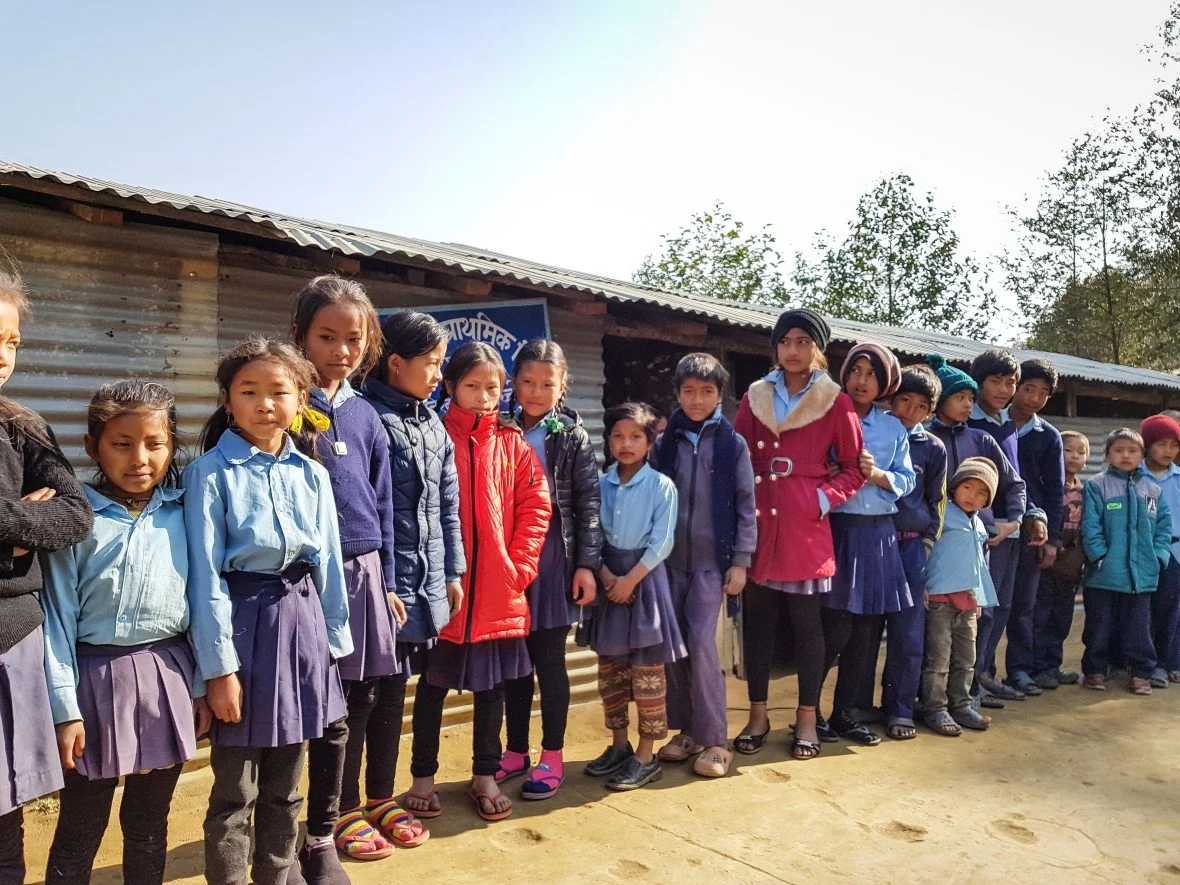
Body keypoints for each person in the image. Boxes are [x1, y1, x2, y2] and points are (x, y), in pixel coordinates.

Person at [185, 338, 352, 885]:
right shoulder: (208, 473)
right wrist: (219, 670)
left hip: (303, 634)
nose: (264, 404)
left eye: (279, 392)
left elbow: (327, 562)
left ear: (301, 398)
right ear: (227, 401)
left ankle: (277, 877)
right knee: (235, 791)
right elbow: (205, 577)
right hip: (242, 630)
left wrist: (333, 647)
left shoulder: (313, 474)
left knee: (288, 785)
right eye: (248, 392)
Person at [42, 380, 206, 885]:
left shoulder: (186, 513)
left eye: (155, 444)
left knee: (148, 822)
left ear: (172, 447)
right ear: (92, 447)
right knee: (80, 824)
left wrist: (200, 687)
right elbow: (57, 617)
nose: (140, 458)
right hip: (93, 684)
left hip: (167, 681)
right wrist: (64, 708)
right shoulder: (77, 521)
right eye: (122, 443)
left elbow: (203, 603)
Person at [291, 278, 426, 875]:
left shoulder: (366, 415)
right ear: (301, 336)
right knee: (318, 701)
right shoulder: (286, 406)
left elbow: (386, 504)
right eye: (326, 337)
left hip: (368, 572)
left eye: (353, 338)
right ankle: (319, 818)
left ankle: (345, 810)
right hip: (307, 579)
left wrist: (392, 582)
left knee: (363, 694)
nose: (340, 350)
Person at [409, 343, 550, 822]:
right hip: (443, 592)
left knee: (493, 691)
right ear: (449, 386)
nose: (484, 397)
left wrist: (520, 566)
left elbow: (536, 507)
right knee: (431, 688)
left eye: (493, 387)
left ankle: (484, 776)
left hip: (497, 592)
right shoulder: (432, 436)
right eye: (472, 386)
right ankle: (422, 779)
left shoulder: (513, 445)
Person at [732, 309, 865, 760]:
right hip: (759, 525)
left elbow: (852, 469)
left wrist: (820, 500)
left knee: (810, 628)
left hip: (806, 530)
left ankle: (807, 716)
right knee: (759, 627)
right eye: (786, 341)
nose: (793, 350)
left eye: (803, 342)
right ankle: (757, 714)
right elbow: (737, 457)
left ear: (818, 349)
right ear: (776, 346)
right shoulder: (753, 396)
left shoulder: (836, 401)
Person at [0, 271, 93, 885]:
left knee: (5, 814)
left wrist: (21, 526)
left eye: (10, 341)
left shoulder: (23, 426)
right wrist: (19, 521)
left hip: (12, 640)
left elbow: (74, 515)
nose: (0, 355)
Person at [360, 311, 463, 825]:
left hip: (421, 586)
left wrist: (453, 572)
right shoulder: (365, 418)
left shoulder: (432, 423)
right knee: (362, 702)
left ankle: (380, 798)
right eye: (432, 363)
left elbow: (447, 508)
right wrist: (383, 584)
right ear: (396, 363)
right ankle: (339, 809)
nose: (439, 376)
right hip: (380, 588)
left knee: (393, 696)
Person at [499, 340, 601, 800]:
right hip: (505, 558)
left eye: (547, 384)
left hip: (553, 557)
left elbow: (588, 505)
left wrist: (586, 566)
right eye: (527, 382)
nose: (536, 392)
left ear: (563, 386)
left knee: (548, 661)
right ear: (513, 382)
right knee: (514, 663)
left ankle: (552, 755)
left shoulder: (572, 436)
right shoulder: (499, 428)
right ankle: (515, 751)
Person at [653, 353, 756, 778]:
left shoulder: (733, 444)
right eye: (689, 391)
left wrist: (741, 561)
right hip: (668, 561)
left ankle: (716, 740)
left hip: (713, 565)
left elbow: (746, 505)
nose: (697, 400)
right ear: (677, 394)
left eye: (707, 392)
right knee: (674, 649)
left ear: (720, 396)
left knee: (701, 644)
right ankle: (687, 732)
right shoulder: (665, 442)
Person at [579, 402, 686, 790]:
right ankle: (619, 746)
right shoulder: (600, 485)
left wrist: (630, 581)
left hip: (645, 583)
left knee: (647, 674)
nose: (626, 444)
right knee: (611, 672)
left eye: (636, 437)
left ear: (649, 442)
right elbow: (594, 534)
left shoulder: (661, 486)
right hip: (609, 583)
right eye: (618, 436)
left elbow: (662, 541)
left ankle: (646, 755)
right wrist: (608, 576)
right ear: (607, 440)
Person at [924, 354, 1031, 711]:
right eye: (961, 398)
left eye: (971, 398)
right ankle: (930, 702)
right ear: (940, 400)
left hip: (976, 545)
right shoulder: (923, 438)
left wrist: (1012, 520)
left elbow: (1015, 484)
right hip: (931, 545)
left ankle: (969, 692)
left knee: (977, 621)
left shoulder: (982, 439)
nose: (969, 405)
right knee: (933, 633)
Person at [821, 344, 915, 745]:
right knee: (831, 630)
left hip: (878, 534)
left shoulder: (894, 427)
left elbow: (906, 480)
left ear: (884, 383)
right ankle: (810, 714)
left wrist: (874, 473)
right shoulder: (826, 416)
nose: (861, 380)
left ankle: (844, 714)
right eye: (856, 370)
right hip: (836, 532)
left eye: (871, 374)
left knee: (864, 632)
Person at [966, 348, 1049, 703]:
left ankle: (984, 673)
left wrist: (1032, 514)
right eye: (995, 381)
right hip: (983, 532)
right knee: (977, 610)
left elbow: (1015, 479)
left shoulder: (1005, 424)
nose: (1004, 389)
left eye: (1010, 382)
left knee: (1000, 609)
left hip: (1010, 531)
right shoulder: (970, 422)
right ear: (979, 382)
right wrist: (989, 523)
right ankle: (967, 684)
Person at [880, 364, 947, 737]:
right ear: (890, 398)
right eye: (904, 400)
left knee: (908, 633)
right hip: (872, 542)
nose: (910, 411)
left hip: (911, 548)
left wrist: (926, 543)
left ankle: (900, 708)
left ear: (930, 412)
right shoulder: (872, 435)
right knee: (865, 629)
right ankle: (858, 705)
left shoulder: (932, 448)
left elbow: (938, 499)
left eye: (921, 406)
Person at [1080, 428, 1171, 695]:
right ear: (1107, 454)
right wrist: (1100, 556)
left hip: (1141, 576)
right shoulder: (1097, 485)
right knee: (1099, 625)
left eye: (1132, 451)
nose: (1125, 456)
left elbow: (1163, 527)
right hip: (1104, 574)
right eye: (1119, 450)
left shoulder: (1152, 489)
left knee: (1139, 628)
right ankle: (1095, 670)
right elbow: (1091, 526)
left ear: (1142, 455)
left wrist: (1159, 557)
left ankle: (1142, 672)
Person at [920, 457, 1000, 735]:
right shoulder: (941, 514)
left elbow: (978, 562)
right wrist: (922, 585)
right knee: (938, 659)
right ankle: (935, 708)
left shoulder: (979, 524)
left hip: (968, 602)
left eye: (981, 493)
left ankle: (961, 704)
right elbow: (927, 551)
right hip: (940, 599)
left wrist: (978, 596)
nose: (972, 496)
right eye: (967, 487)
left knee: (967, 658)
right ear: (954, 487)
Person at [1004, 359, 1065, 697]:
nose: (1034, 398)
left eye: (1043, 393)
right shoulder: (993, 424)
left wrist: (1052, 539)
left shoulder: (1048, 436)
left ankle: (1020, 670)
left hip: (1033, 531)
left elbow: (1055, 490)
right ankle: (981, 673)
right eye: (1028, 388)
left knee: (1024, 606)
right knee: (988, 607)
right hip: (994, 526)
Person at [1031, 430, 1088, 689]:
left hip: (1070, 568)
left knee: (1061, 619)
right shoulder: (1048, 486)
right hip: (1045, 564)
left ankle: (1052, 667)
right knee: (1040, 617)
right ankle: (1036, 668)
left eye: (1081, 451)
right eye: (1069, 450)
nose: (1075, 456)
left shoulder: (1086, 492)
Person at [1141, 414, 1180, 687]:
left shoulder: (1179, 478)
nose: (1168, 451)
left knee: (1171, 611)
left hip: (1176, 553)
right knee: (1143, 611)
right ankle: (1143, 663)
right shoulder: (1134, 477)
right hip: (1142, 552)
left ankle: (1167, 663)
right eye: (1161, 444)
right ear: (1146, 445)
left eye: (1174, 445)